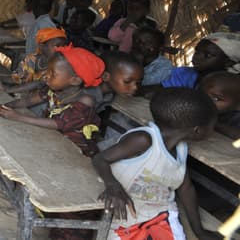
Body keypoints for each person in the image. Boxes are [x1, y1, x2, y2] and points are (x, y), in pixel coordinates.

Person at [91, 88, 221, 240]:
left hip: (159, 215)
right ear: (197, 131)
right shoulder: (144, 139)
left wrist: (199, 231)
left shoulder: (180, 150)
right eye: (212, 126)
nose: (213, 131)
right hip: (122, 213)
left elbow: (185, 187)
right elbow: (100, 159)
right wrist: (112, 185)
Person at [0, 45, 103, 157]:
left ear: (75, 80)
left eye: (52, 74)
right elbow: (28, 100)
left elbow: (57, 124)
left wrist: (17, 117)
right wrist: (5, 106)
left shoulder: (85, 100)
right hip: (53, 139)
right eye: (47, 71)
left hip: (74, 152)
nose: (45, 77)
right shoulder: (55, 90)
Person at [157, 32, 240, 91]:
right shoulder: (184, 73)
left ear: (228, 63)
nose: (197, 56)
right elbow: (159, 90)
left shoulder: (231, 88)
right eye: (197, 51)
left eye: (208, 55)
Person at [199, 71, 240, 139]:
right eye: (202, 94)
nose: (205, 100)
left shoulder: (236, 118)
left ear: (238, 105)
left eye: (216, 98)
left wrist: (213, 123)